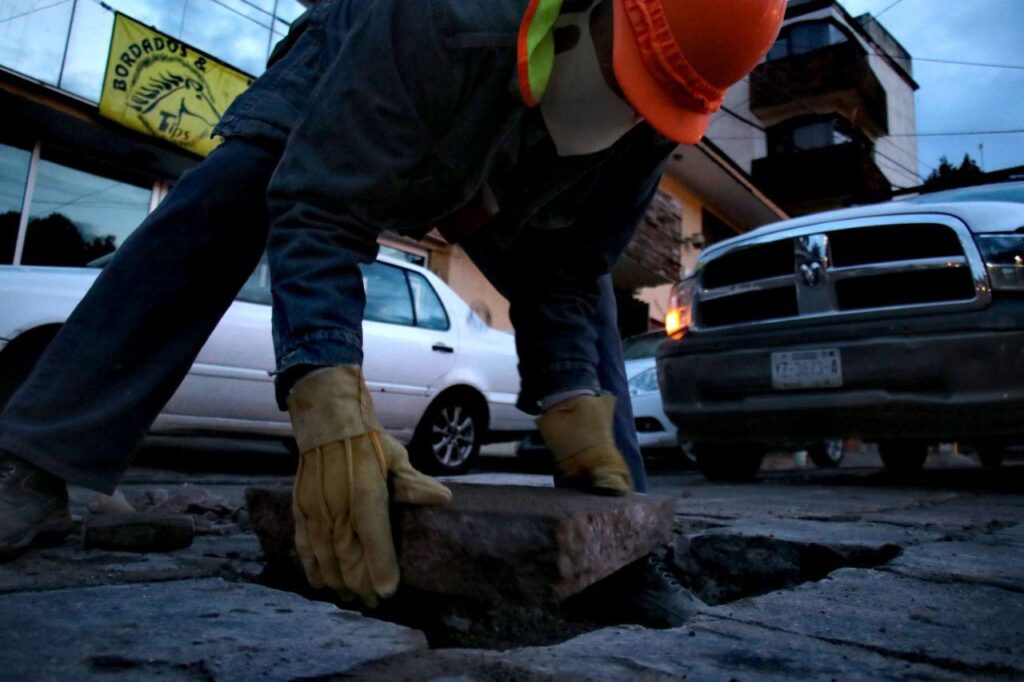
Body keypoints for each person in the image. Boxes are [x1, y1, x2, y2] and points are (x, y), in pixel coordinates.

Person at [0, 0, 784, 624]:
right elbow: (321, 206)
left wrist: (574, 397)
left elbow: (571, 268)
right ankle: (38, 459)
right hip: (366, 65)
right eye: (630, 78)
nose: (629, 107)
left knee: (591, 331)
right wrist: (326, 391)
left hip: (520, 143)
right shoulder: (439, 16)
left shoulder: (661, 107)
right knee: (241, 186)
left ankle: (626, 551)